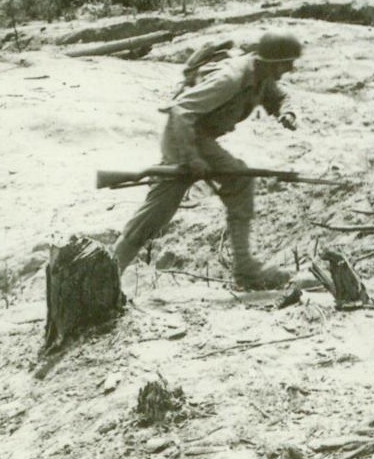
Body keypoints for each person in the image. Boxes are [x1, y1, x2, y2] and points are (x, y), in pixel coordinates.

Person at [112, 30, 303, 290]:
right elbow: (180, 111)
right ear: (271, 62)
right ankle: (107, 273)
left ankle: (245, 270)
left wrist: (286, 112)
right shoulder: (231, 78)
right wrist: (191, 159)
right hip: (182, 139)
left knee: (239, 181)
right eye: (287, 63)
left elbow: (277, 96)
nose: (290, 69)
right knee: (155, 215)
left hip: (200, 139)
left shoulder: (260, 75)